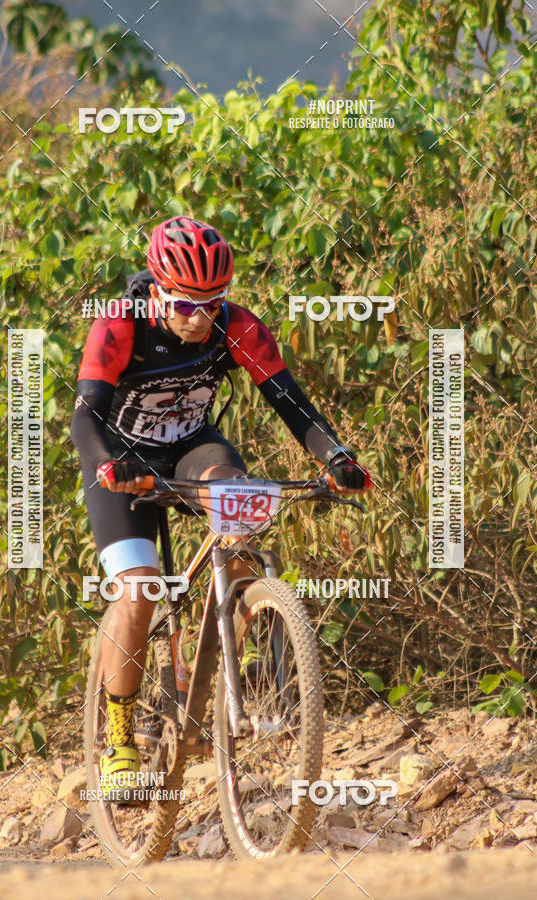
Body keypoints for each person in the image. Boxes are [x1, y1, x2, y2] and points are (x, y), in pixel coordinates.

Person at [71, 216, 370, 795]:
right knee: (139, 591)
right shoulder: (118, 327)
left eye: (212, 302)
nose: (199, 317)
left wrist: (336, 457)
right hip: (120, 461)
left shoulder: (235, 326)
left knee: (237, 498)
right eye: (185, 304)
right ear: (156, 290)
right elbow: (84, 419)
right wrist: (111, 463)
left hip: (190, 448)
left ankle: (223, 658)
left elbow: (291, 403)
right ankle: (121, 739)